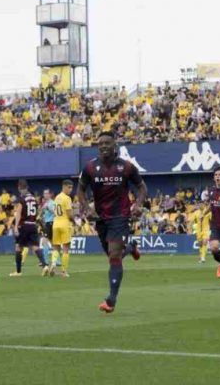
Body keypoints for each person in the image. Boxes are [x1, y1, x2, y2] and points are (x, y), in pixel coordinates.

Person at [77, 131, 147, 314]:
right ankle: (131, 248)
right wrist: (87, 208)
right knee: (112, 256)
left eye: (107, 143)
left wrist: (138, 205)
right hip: (100, 218)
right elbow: (81, 190)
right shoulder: (90, 168)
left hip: (120, 216)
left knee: (114, 255)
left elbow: (141, 187)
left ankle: (111, 300)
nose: (103, 146)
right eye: (100, 144)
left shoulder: (126, 167)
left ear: (115, 145)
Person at [10, 179, 47, 276]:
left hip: (24, 225)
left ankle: (18, 272)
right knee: (35, 246)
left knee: (18, 247)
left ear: (19, 188)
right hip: (33, 225)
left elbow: (18, 213)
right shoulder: (34, 199)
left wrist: (16, 227)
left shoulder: (22, 199)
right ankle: (45, 265)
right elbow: (37, 212)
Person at [45, 180, 75, 278]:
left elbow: (55, 211)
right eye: (69, 187)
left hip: (56, 224)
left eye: (71, 187)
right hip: (64, 224)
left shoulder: (57, 197)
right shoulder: (67, 198)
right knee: (66, 248)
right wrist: (74, 221)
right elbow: (69, 215)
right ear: (64, 187)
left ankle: (53, 264)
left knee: (55, 247)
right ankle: (63, 271)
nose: (70, 190)